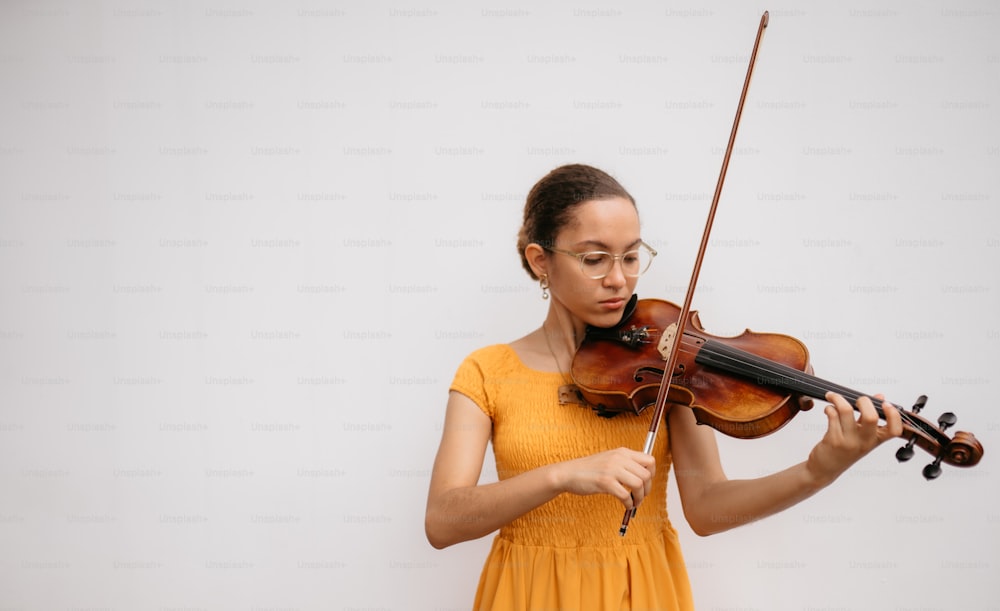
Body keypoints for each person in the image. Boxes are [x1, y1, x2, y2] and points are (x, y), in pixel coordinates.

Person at [424, 164, 903, 610]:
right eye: (594, 259)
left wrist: (817, 470)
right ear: (540, 261)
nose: (619, 279)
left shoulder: (666, 367)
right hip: (529, 593)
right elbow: (443, 521)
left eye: (632, 256)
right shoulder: (487, 371)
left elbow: (709, 509)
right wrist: (561, 475)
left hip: (643, 591)